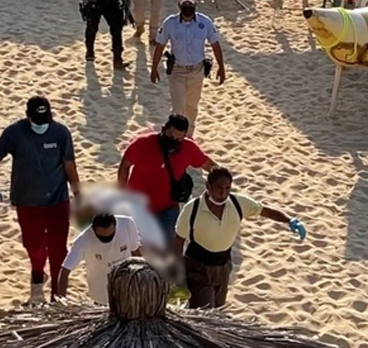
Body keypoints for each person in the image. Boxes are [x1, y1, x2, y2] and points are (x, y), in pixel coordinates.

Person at [0, 96, 82, 303]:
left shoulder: (61, 133)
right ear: (28, 116)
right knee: (33, 246)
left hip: (57, 200)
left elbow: (70, 167)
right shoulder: (14, 133)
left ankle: (58, 295)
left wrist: (78, 196)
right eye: (37, 121)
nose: (42, 125)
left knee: (58, 249)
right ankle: (37, 275)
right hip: (27, 201)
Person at [174, 167, 306, 309]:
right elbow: (178, 240)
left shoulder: (238, 203)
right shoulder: (192, 209)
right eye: (219, 188)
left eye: (227, 188)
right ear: (208, 186)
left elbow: (265, 211)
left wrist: (289, 220)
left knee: (218, 307)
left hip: (223, 267)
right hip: (198, 268)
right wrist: (177, 270)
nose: (223, 193)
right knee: (204, 310)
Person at [118, 114, 216, 249]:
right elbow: (125, 165)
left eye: (178, 139)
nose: (173, 141)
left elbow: (209, 166)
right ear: (163, 129)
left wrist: (220, 181)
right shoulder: (142, 144)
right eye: (170, 137)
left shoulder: (188, 148)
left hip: (168, 208)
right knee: (135, 247)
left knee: (166, 247)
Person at [150, 0, 225, 138]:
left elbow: (215, 45)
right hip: (177, 71)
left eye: (190, 4)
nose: (187, 6)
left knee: (192, 107)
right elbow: (160, 46)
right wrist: (154, 68)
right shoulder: (170, 23)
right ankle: (175, 137)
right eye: (184, 4)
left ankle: (189, 136)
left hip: (197, 71)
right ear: (179, 5)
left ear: (195, 5)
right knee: (178, 108)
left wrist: (222, 68)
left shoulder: (205, 22)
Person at [55, 213, 143, 304]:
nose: (107, 239)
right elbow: (65, 269)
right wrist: (62, 298)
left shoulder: (127, 224)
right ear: (93, 230)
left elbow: (135, 251)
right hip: (101, 290)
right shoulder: (83, 240)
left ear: (116, 225)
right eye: (102, 237)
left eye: (110, 236)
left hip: (127, 283)